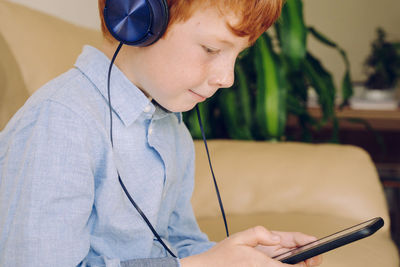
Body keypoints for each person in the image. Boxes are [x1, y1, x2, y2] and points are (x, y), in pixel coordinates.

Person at [0, 0, 323, 266]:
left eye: (237, 55)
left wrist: (239, 258)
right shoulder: (60, 121)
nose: (228, 79)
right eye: (211, 49)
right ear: (136, 19)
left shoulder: (169, 124)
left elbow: (174, 246)